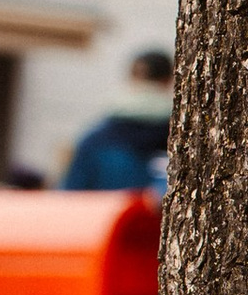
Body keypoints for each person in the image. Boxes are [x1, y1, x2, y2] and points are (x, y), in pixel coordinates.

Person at [63, 50, 173, 193]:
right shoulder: (181, 137)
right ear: (168, 80)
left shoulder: (95, 139)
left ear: (132, 77)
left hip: (105, 213)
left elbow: (70, 194)